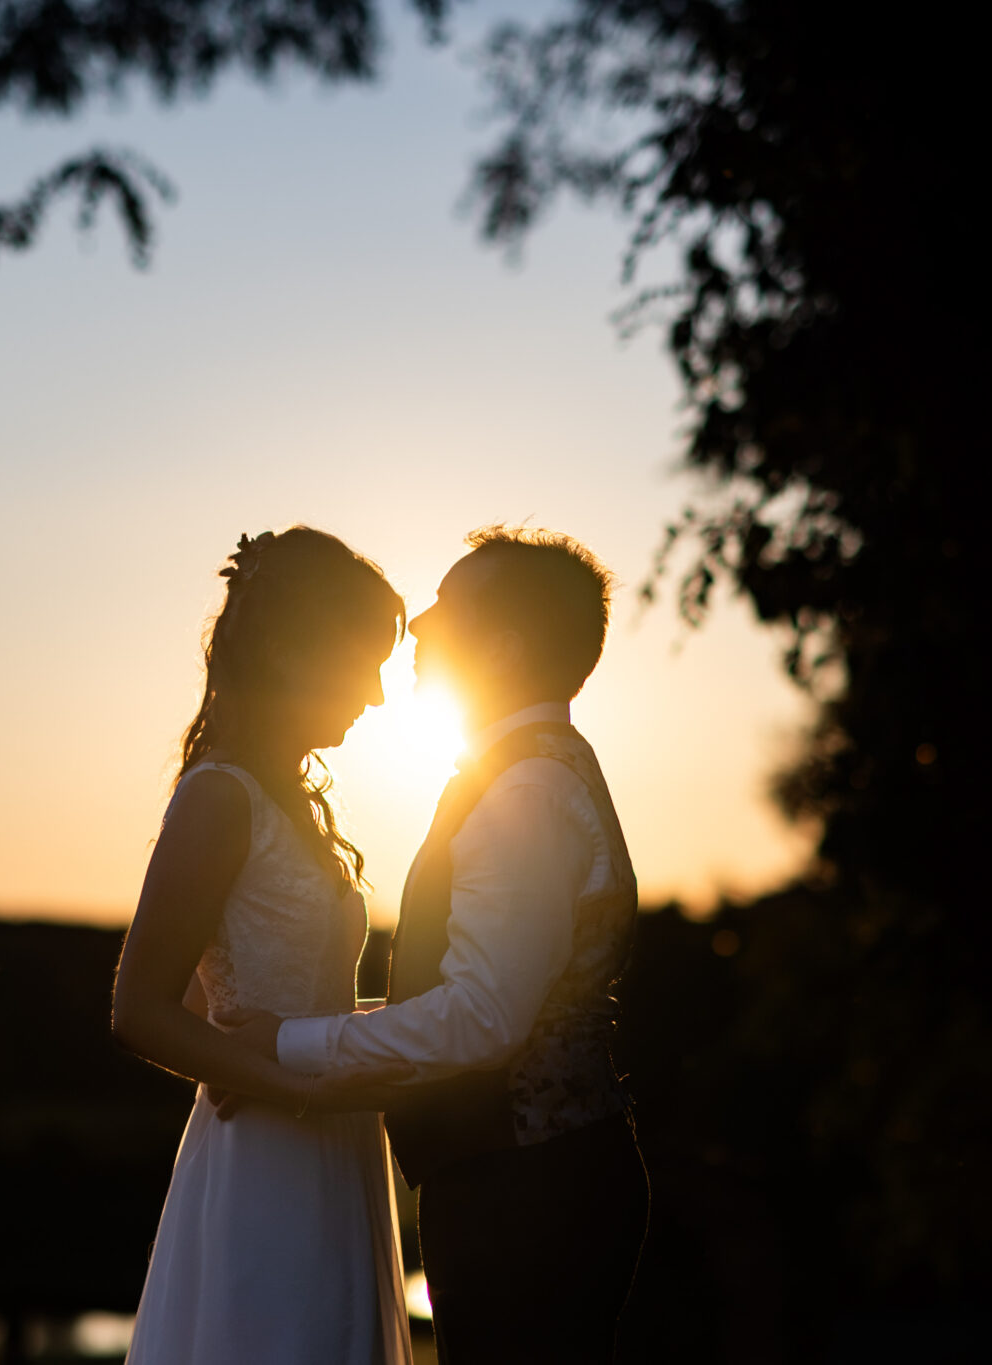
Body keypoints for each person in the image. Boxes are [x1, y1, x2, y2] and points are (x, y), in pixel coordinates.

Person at [226, 527, 650, 1364]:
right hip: (536, 1180)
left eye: (447, 607)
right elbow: (487, 996)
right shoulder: (531, 770)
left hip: (527, 1193)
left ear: (506, 643)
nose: (418, 623)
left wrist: (284, 1040)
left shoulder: (523, 790)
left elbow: (482, 1018)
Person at [113, 527, 417, 1365]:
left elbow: (280, 1002)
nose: (380, 697)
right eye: (365, 661)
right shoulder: (217, 797)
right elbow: (141, 1009)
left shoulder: (293, 804)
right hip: (267, 1155)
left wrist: (404, 1027)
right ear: (295, 650)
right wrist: (294, 1087)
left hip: (338, 1144)